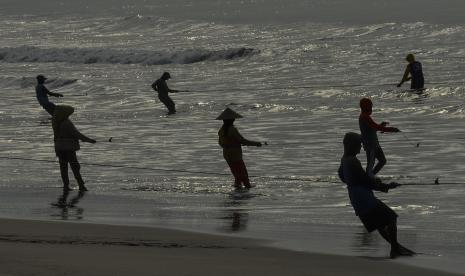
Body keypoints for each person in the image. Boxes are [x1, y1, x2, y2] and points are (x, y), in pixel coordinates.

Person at [338, 132, 415, 259]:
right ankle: (395, 249)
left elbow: (341, 175)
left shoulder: (344, 159)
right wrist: (386, 186)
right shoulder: (352, 161)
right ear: (351, 145)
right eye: (359, 144)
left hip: (357, 199)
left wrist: (351, 181)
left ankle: (396, 247)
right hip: (364, 199)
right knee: (391, 217)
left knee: (380, 224)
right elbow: (367, 181)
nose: (361, 147)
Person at [52, 105, 96, 191]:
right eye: (69, 113)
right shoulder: (66, 123)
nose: (70, 114)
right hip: (68, 149)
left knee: (63, 167)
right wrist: (89, 140)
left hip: (59, 148)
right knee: (75, 167)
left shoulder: (56, 122)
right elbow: (76, 134)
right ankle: (81, 185)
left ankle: (66, 186)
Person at [216, 108, 262, 190]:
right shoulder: (232, 129)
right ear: (232, 120)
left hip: (226, 153)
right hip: (235, 154)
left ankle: (238, 187)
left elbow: (220, 143)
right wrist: (256, 144)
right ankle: (247, 186)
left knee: (236, 172)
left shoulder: (221, 130)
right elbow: (242, 140)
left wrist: (230, 145)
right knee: (242, 171)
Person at [359, 98, 399, 178]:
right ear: (366, 107)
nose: (371, 108)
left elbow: (373, 128)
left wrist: (381, 125)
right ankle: (368, 178)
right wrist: (391, 129)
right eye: (370, 106)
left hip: (375, 144)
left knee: (382, 161)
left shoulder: (366, 117)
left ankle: (370, 176)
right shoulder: (364, 117)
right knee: (370, 164)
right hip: (371, 146)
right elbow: (375, 127)